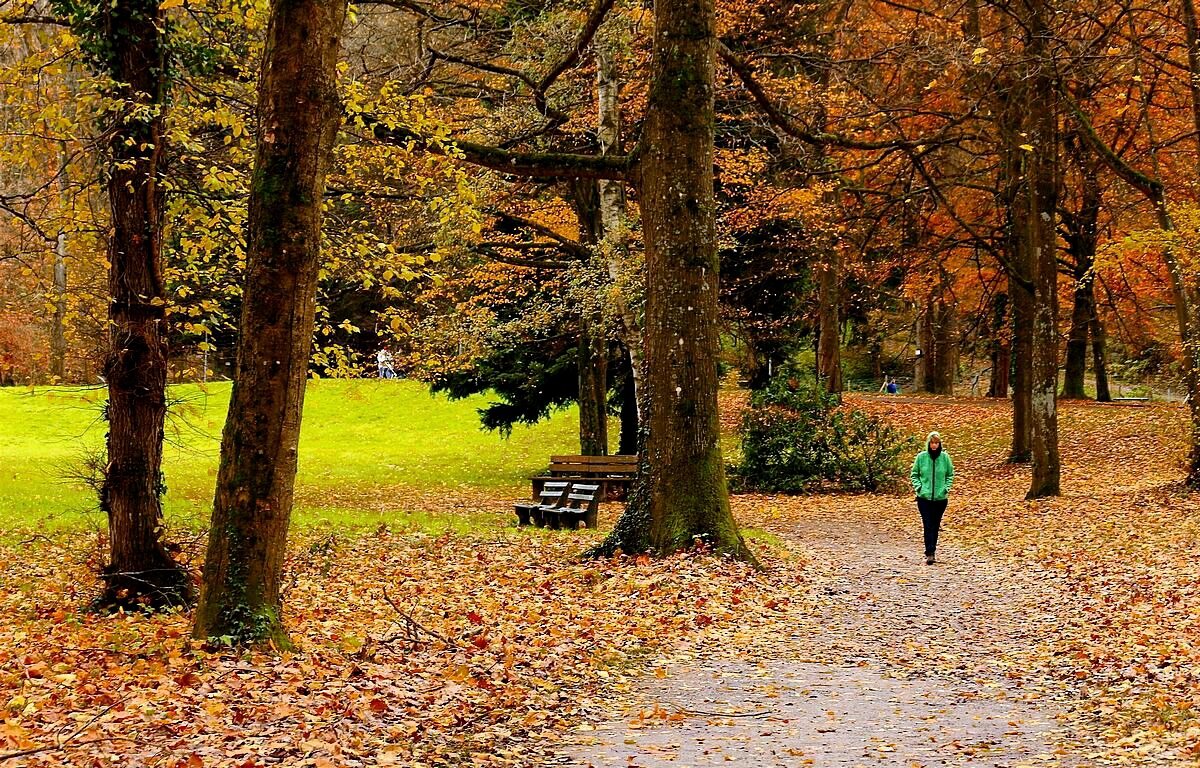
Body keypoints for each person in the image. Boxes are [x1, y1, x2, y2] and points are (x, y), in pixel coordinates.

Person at [910, 431, 953, 565]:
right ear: (928, 444)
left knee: (935, 525)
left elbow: (950, 475)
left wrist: (946, 488)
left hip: (940, 499)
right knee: (927, 524)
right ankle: (930, 552)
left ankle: (932, 550)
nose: (934, 445)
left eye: (936, 443)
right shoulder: (921, 457)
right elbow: (914, 474)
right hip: (924, 498)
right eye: (932, 443)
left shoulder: (945, 458)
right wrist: (919, 488)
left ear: (939, 444)